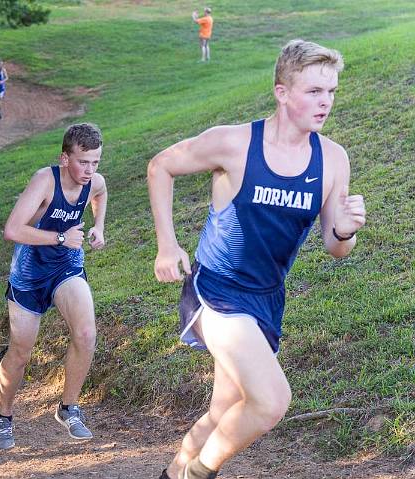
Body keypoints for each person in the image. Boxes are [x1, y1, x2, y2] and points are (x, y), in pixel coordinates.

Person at [148, 40, 366, 479]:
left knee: (223, 411)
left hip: (266, 299)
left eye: (331, 92)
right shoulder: (234, 143)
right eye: (313, 91)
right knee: (270, 400)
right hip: (216, 293)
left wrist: (345, 229)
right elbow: (160, 166)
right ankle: (197, 474)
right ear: (282, 92)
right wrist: (167, 245)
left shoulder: (333, 160)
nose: (325, 102)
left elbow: (335, 247)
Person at [0, 123, 108, 450]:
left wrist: (98, 227)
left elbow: (100, 192)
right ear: (64, 158)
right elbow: (12, 230)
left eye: (95, 162)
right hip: (29, 273)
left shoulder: (94, 181)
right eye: (83, 162)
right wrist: (60, 237)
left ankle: (69, 407)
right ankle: (4, 414)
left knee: (86, 334)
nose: (89, 170)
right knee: (20, 352)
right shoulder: (45, 180)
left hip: (66, 266)